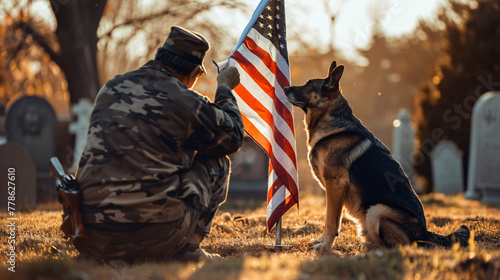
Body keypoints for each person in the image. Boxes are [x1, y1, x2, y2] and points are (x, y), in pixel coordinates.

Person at [75, 26, 244, 262]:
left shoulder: (111, 87)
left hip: (92, 232)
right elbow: (233, 136)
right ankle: (188, 249)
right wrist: (224, 88)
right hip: (156, 234)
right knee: (217, 161)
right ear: (194, 72)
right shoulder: (184, 99)